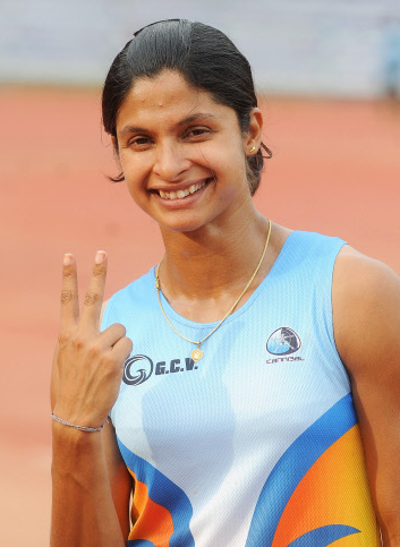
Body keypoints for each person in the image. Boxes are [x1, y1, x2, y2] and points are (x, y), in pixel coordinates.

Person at [50, 19, 400, 547]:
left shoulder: (350, 294)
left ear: (251, 130)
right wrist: (71, 430)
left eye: (195, 131)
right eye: (141, 141)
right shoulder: (106, 342)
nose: (169, 165)